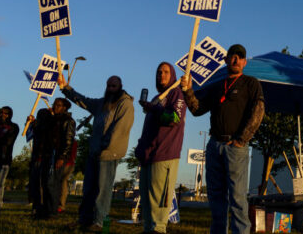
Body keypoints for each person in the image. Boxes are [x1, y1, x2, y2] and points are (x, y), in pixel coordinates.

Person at [180, 44, 265, 234]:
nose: (235, 59)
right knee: (216, 198)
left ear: (244, 62)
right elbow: (197, 109)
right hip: (214, 145)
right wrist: (188, 90)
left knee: (237, 198)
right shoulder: (218, 85)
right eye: (231, 56)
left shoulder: (251, 83)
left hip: (235, 147)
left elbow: (258, 112)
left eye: (239, 57)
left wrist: (241, 140)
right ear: (226, 60)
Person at [60, 75, 134, 232]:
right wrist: (66, 88)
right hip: (94, 153)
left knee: (103, 191)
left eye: (114, 85)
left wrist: (105, 148)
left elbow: (120, 129)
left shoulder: (125, 104)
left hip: (108, 154)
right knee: (88, 190)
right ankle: (84, 220)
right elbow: (83, 101)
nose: (110, 88)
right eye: (108, 85)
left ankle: (101, 224)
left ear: (120, 86)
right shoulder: (102, 103)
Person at [134, 62, 187, 234]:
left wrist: (155, 109)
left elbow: (174, 119)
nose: (161, 75)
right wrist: (141, 146)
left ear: (171, 74)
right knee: (147, 203)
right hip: (148, 156)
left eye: (165, 72)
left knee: (158, 206)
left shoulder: (177, 93)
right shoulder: (158, 97)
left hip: (165, 155)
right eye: (158, 72)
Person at [27, 107, 54, 219]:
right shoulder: (36, 127)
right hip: (37, 158)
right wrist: (30, 124)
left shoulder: (51, 127)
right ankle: (36, 207)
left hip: (46, 158)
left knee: (43, 185)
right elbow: (28, 137)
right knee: (36, 185)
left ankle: (43, 209)